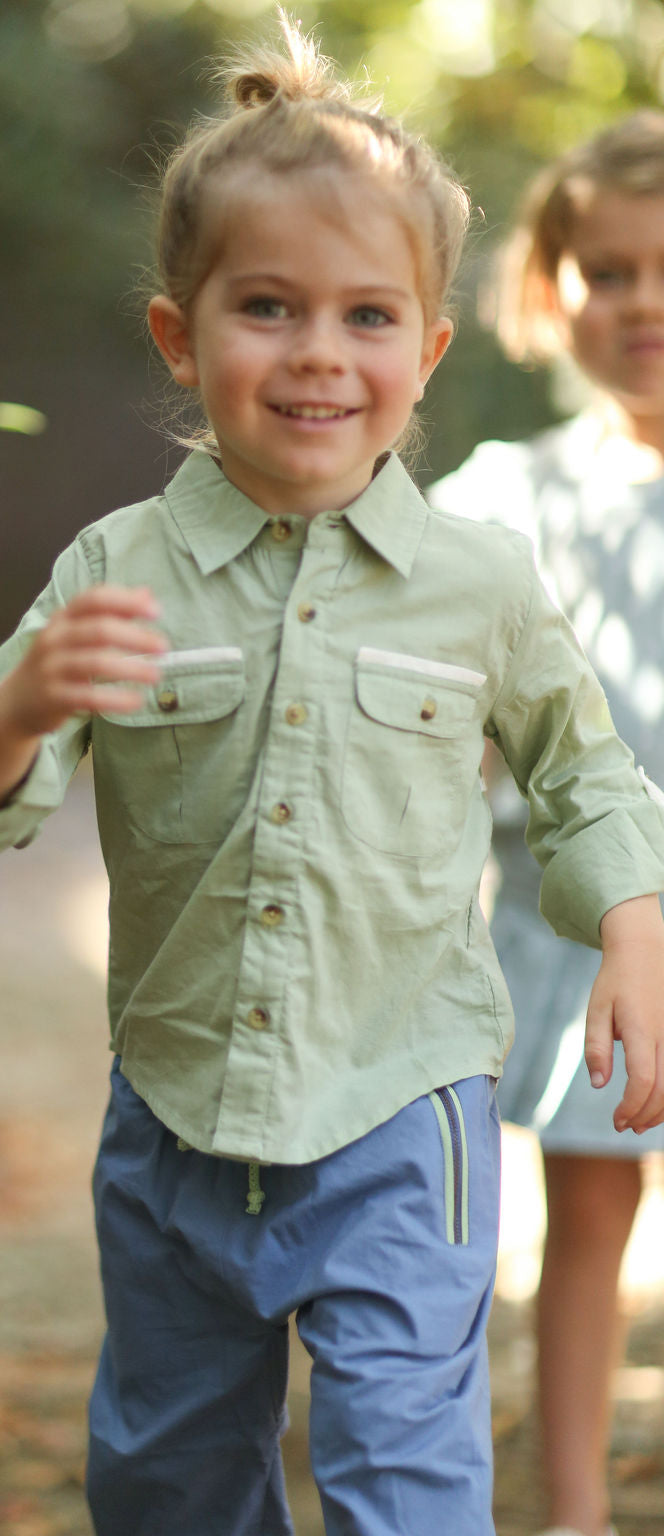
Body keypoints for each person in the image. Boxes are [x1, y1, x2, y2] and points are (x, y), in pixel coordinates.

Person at [0, 21, 664, 1535]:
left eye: (368, 316)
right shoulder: (117, 569)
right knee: (173, 1477)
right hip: (177, 1118)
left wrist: (634, 926)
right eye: (268, 307)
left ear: (429, 348)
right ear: (179, 337)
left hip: (406, 1111)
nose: (320, 352)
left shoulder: (480, 581)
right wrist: (16, 711)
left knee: (403, 1469)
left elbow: (589, 778)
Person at [428, 113, 664, 1536]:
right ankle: (572, 1510)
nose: (646, 303)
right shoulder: (511, 498)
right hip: (576, 932)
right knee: (585, 1226)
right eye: (612, 271)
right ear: (550, 288)